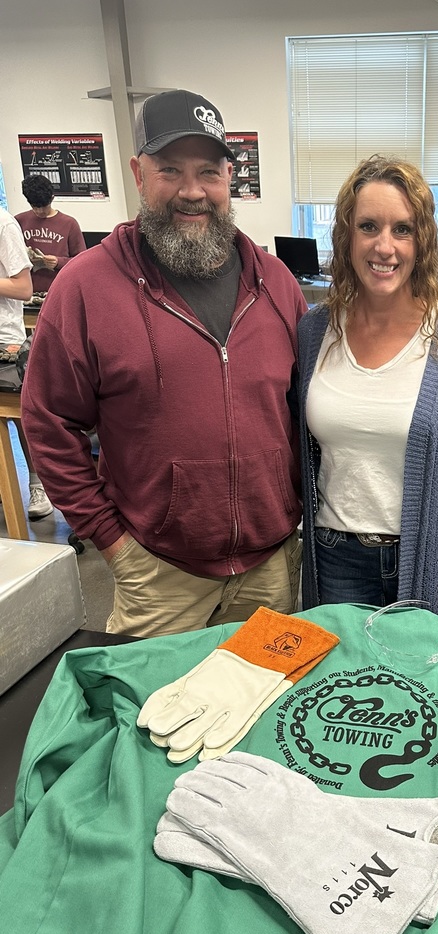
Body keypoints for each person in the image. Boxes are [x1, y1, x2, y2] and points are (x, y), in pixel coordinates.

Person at [22, 89, 307, 637]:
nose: (192, 191)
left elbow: (302, 416)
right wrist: (112, 542)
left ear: (231, 177)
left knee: (258, 714)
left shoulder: (276, 284)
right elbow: (48, 423)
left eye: (209, 171)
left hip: (273, 571)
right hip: (157, 576)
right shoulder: (85, 287)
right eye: (170, 170)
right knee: (153, 719)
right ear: (137, 173)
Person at [298, 155, 438, 630]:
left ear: (423, 240)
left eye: (403, 229)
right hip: (335, 558)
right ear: (346, 236)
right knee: (342, 688)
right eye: (368, 226)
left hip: (426, 559)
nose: (384, 247)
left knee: (420, 694)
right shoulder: (315, 332)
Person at [0, 207, 54, 519]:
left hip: (4, 336)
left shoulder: (5, 225)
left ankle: (39, 486)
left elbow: (23, 288)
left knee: (21, 416)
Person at [15, 175, 86, 293]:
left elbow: (82, 262)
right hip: (27, 292)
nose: (40, 211)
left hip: (59, 290)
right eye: (35, 207)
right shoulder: (19, 221)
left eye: (44, 206)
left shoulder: (69, 224)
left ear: (52, 199)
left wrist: (58, 262)